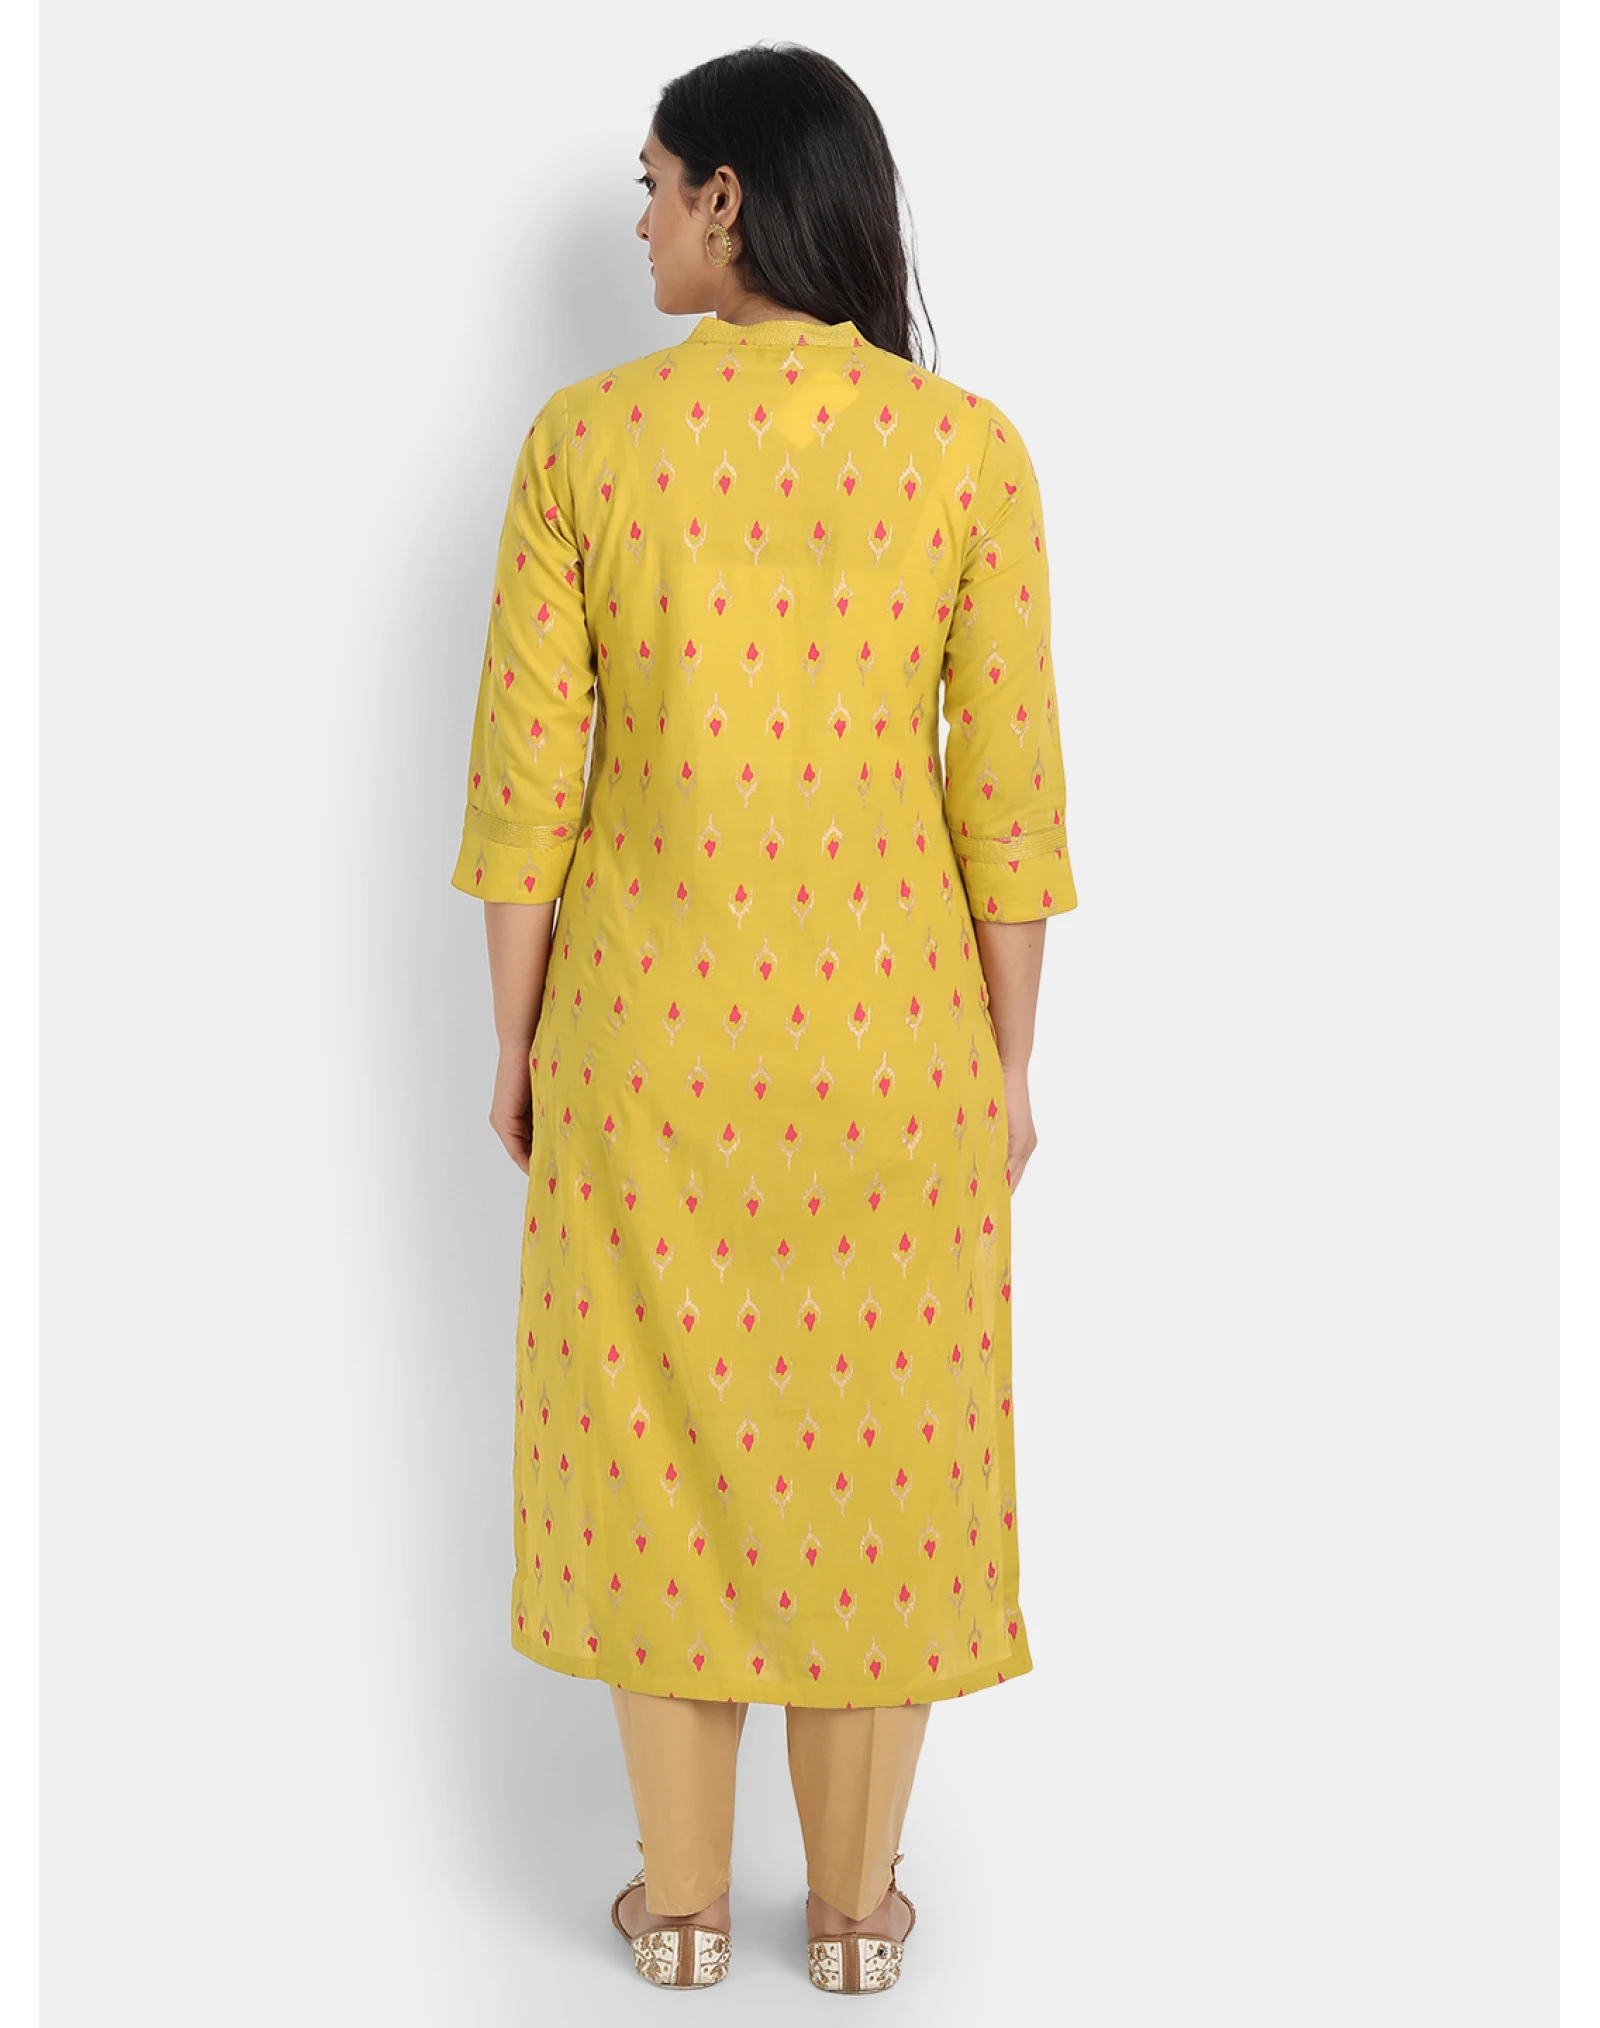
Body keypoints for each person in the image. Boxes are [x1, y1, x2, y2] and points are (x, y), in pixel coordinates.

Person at [449, 41, 1078, 1995]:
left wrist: (515, 1047)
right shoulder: (965, 453)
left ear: (730, 198)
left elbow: (525, 796)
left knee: (658, 1458)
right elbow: (1008, 806)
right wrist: (1007, 1067)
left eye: (653, 183)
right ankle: (863, 1920)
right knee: (881, 1467)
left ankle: (685, 1914)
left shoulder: (586, 445)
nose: (639, 219)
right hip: (897, 1058)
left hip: (647, 1052)